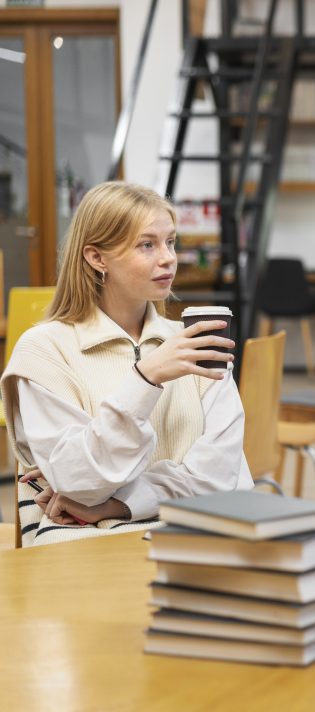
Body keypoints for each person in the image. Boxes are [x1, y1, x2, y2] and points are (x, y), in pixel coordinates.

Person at [1, 181, 253, 546]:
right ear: (96, 258)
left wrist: (118, 503)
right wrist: (146, 378)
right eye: (146, 245)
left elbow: (221, 479)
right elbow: (80, 484)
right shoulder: (44, 352)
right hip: (84, 550)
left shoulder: (195, 344)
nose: (168, 258)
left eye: (170, 242)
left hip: (196, 543)